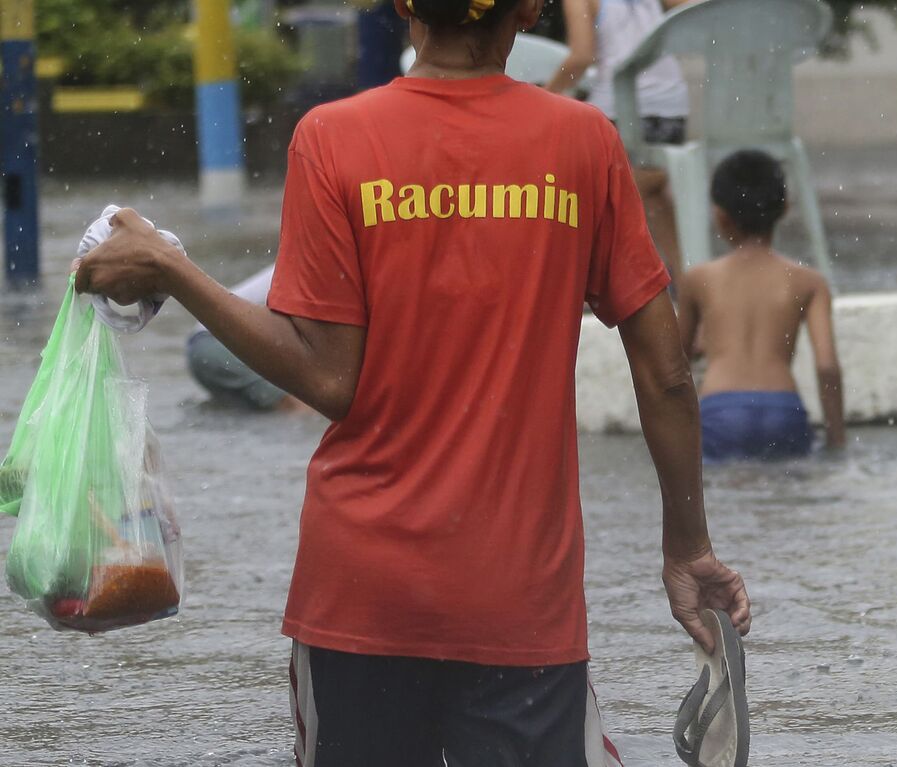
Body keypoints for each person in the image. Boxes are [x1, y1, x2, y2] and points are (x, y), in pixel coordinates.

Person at [73, 0, 749, 763]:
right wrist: (686, 546)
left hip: (362, 593)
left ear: (404, 7)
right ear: (528, 11)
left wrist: (174, 270)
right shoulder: (584, 142)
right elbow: (663, 373)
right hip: (519, 602)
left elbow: (328, 379)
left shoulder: (333, 138)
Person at [677, 149, 846, 462]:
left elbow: (676, 365)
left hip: (720, 411)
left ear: (720, 215)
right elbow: (827, 367)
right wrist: (837, 441)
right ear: (784, 208)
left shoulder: (698, 279)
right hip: (784, 411)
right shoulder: (809, 281)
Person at [548, 0, 693, 280]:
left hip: (621, 107)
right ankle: (683, 277)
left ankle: (594, 278)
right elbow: (696, 11)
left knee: (583, 188)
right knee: (651, 190)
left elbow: (581, 57)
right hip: (673, 108)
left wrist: (547, 91)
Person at [182, 265, 307, 412]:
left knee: (248, 415)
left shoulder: (305, 258)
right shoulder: (317, 266)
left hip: (206, 343)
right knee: (299, 407)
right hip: (218, 343)